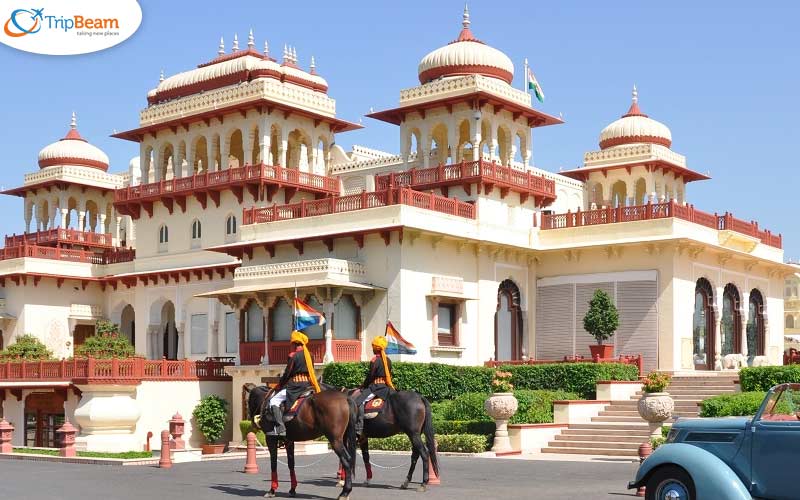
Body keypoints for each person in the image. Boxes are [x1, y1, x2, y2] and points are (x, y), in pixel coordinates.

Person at [267, 330, 320, 435]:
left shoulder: (293, 356)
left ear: (295, 344)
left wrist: (280, 384)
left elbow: (288, 373)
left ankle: (281, 427)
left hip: (296, 386)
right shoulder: (310, 355)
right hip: (308, 385)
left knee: (274, 401)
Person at [354, 336, 395, 436]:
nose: (372, 348)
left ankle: (359, 428)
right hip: (386, 388)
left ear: (376, 348)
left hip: (376, 388)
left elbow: (370, 376)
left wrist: (363, 386)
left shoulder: (374, 360)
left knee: (358, 402)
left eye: (373, 347)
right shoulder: (388, 360)